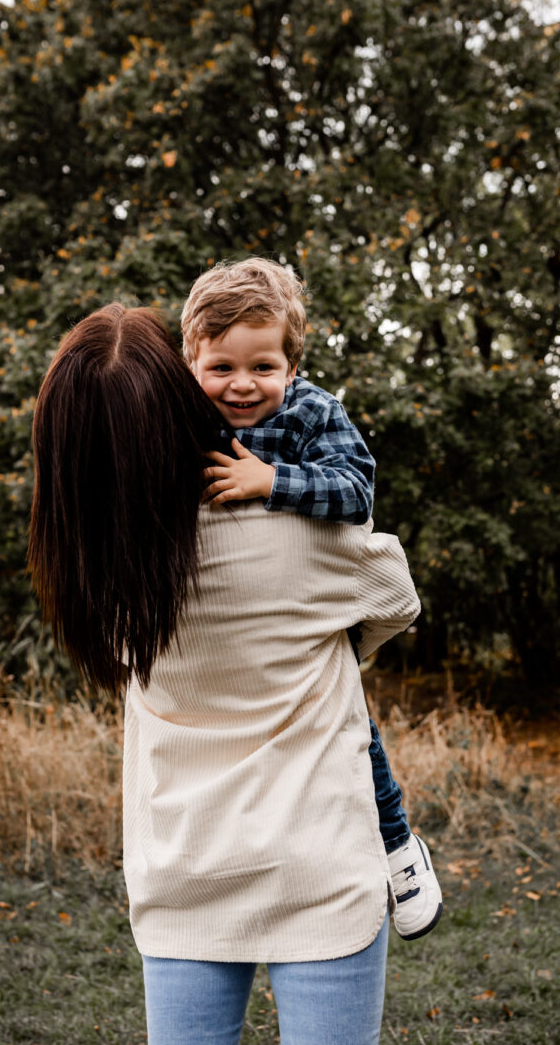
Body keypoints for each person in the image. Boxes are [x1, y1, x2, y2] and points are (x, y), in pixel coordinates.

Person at [28, 302, 424, 1045]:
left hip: (182, 867)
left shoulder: (96, 572)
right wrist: (318, 648)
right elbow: (394, 600)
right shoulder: (291, 535)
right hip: (320, 860)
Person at [180, 258, 442, 940]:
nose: (242, 386)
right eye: (221, 369)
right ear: (191, 361)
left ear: (291, 367)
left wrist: (272, 481)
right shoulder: (178, 417)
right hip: (225, 612)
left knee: (349, 720)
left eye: (263, 367)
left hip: (311, 602)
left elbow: (356, 493)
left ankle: (394, 844)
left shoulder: (313, 410)